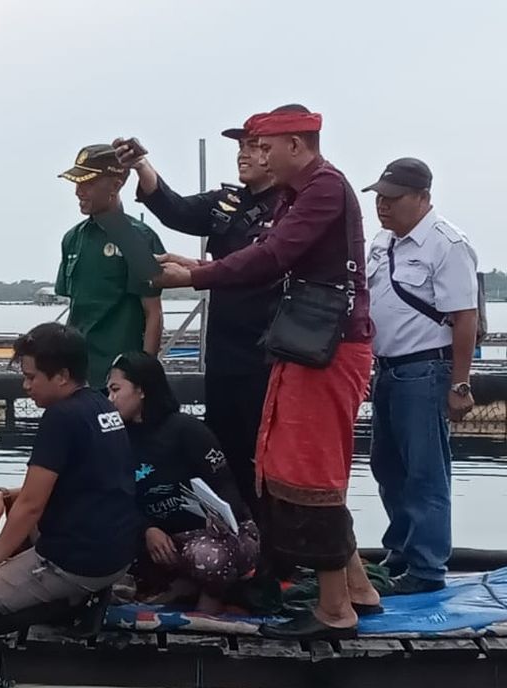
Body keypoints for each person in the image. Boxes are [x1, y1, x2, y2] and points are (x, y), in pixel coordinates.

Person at [153, 107, 382, 639]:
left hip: (328, 348)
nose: (254, 155)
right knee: (285, 462)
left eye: (264, 146)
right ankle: (357, 587)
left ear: (296, 145)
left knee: (308, 470)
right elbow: (262, 251)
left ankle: (334, 610)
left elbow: (273, 254)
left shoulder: (323, 188)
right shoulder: (302, 194)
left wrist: (196, 274)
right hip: (307, 346)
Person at [114, 119, 281, 514]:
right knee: (226, 447)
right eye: (241, 146)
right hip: (224, 348)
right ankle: (239, 541)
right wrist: (141, 165)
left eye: (256, 146)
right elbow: (177, 210)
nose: (244, 153)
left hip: (269, 351)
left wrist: (194, 272)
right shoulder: (228, 203)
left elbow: (261, 266)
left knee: (268, 458)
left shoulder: (292, 209)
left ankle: (280, 557)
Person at [0, 323, 143, 636]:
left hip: (80, 562)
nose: (26, 386)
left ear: (62, 376)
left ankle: (76, 603)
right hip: (119, 552)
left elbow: (31, 505)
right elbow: (80, 481)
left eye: (31, 377)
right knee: (18, 530)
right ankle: (85, 591)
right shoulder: (101, 406)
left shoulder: (60, 418)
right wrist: (3, 494)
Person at [364, 158, 479, 595]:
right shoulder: (381, 241)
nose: (383, 206)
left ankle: (427, 568)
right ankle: (400, 552)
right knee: (387, 465)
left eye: (392, 199)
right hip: (387, 369)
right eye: (379, 198)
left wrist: (460, 384)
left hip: (426, 367)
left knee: (425, 472)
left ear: (422, 198)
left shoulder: (446, 244)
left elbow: (465, 318)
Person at [107, 351, 260, 613]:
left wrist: (220, 516)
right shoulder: (117, 437)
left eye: (115, 390)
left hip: (215, 534)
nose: (110, 399)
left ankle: (210, 600)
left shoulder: (186, 429)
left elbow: (226, 486)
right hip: (160, 536)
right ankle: (180, 584)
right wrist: (147, 529)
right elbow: (115, 498)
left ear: (141, 390)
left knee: (207, 558)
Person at [55, 144, 165, 388]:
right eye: (76, 183)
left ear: (115, 185)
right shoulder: (73, 238)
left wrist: (142, 377)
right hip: (78, 376)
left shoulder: (137, 239)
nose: (78, 192)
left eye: (88, 183)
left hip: (119, 378)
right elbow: (75, 311)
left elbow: (153, 313)